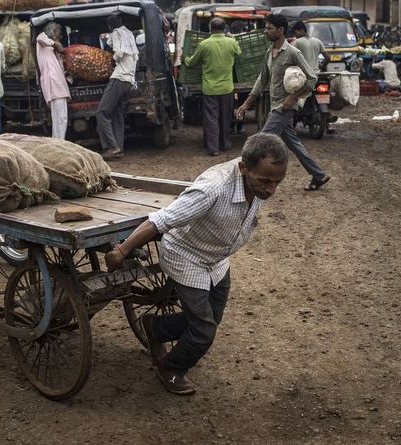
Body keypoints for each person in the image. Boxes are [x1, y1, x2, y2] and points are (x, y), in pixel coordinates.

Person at [105, 132, 288, 395]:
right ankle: (170, 368)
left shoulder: (256, 180)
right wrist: (121, 251)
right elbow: (161, 220)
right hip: (186, 256)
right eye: (265, 181)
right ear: (243, 167)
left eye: (277, 182)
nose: (270, 190)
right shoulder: (213, 189)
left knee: (213, 317)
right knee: (203, 331)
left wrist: (264, 183)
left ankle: (156, 327)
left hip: (216, 258)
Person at [236, 14, 331, 192]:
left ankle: (238, 178)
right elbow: (262, 79)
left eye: (269, 28)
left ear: (280, 30)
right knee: (295, 144)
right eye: (266, 28)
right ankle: (319, 175)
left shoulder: (293, 52)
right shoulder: (269, 52)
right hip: (275, 105)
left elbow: (312, 78)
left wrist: (293, 97)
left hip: (283, 108)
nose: (266, 31)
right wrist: (247, 102)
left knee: (259, 141)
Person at [182, 18, 241, 156]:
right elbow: (239, 52)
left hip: (210, 88)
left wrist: (184, 59)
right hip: (227, 87)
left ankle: (213, 149)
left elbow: (191, 62)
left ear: (210, 28)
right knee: (226, 117)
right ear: (225, 28)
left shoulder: (204, 44)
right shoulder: (231, 43)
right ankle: (225, 144)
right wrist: (232, 38)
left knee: (211, 118)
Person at [97, 14, 138, 160]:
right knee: (117, 115)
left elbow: (119, 52)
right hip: (129, 80)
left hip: (119, 78)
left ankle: (112, 147)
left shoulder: (116, 33)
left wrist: (112, 60)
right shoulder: (129, 34)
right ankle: (119, 148)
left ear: (109, 26)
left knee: (102, 112)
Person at [36, 22, 71, 139]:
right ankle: (60, 142)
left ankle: (57, 141)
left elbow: (61, 68)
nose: (60, 36)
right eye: (58, 33)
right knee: (60, 118)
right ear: (52, 32)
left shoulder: (52, 50)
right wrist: (55, 44)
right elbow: (40, 38)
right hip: (54, 84)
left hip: (58, 84)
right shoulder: (43, 40)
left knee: (59, 118)